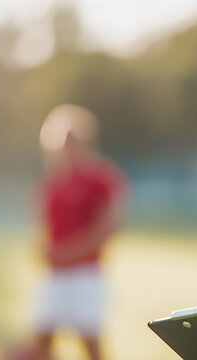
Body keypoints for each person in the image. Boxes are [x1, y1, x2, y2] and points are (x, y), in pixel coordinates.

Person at [33, 104, 127, 360]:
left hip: (86, 272)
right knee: (41, 336)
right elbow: (45, 227)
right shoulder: (52, 182)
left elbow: (106, 228)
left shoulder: (99, 177)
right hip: (55, 275)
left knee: (90, 341)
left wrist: (67, 254)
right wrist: (45, 252)